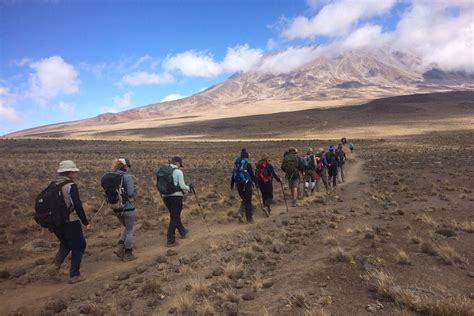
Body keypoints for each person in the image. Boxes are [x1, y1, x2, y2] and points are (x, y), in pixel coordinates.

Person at [52, 160, 90, 284]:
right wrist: (86, 222)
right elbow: (77, 205)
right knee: (79, 245)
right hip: (70, 221)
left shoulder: (53, 184)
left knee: (66, 243)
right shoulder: (70, 185)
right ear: (69, 172)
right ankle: (74, 275)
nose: (75, 173)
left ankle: (55, 266)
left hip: (55, 221)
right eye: (74, 171)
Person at [160, 156, 191, 247]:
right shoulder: (178, 172)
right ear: (177, 163)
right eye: (180, 165)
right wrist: (189, 188)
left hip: (165, 197)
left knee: (174, 215)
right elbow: (182, 186)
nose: (179, 167)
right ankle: (170, 239)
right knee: (174, 216)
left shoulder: (164, 171)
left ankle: (182, 231)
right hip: (176, 197)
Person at [111, 158, 136, 261]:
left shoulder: (111, 176)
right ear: (125, 166)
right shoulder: (127, 177)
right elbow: (130, 193)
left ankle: (120, 247)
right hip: (128, 207)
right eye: (128, 166)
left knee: (126, 227)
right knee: (130, 230)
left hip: (116, 208)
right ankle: (128, 253)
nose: (128, 168)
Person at [231, 149, 256, 223]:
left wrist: (232, 185)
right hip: (247, 184)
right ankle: (249, 219)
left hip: (238, 184)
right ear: (246, 157)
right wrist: (256, 183)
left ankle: (240, 213)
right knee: (248, 201)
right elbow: (252, 175)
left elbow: (233, 175)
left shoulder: (236, 164)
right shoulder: (248, 164)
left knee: (244, 200)